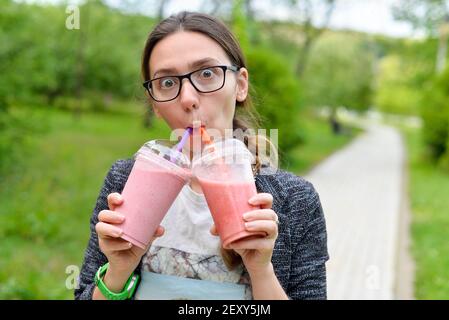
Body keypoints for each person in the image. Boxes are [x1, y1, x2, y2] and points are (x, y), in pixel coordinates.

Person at [75, 11, 329, 300]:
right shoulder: (125, 181)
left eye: (206, 74)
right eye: (168, 83)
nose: (188, 99)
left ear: (241, 85)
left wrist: (261, 271)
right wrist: (118, 271)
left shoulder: (296, 201)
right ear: (155, 105)